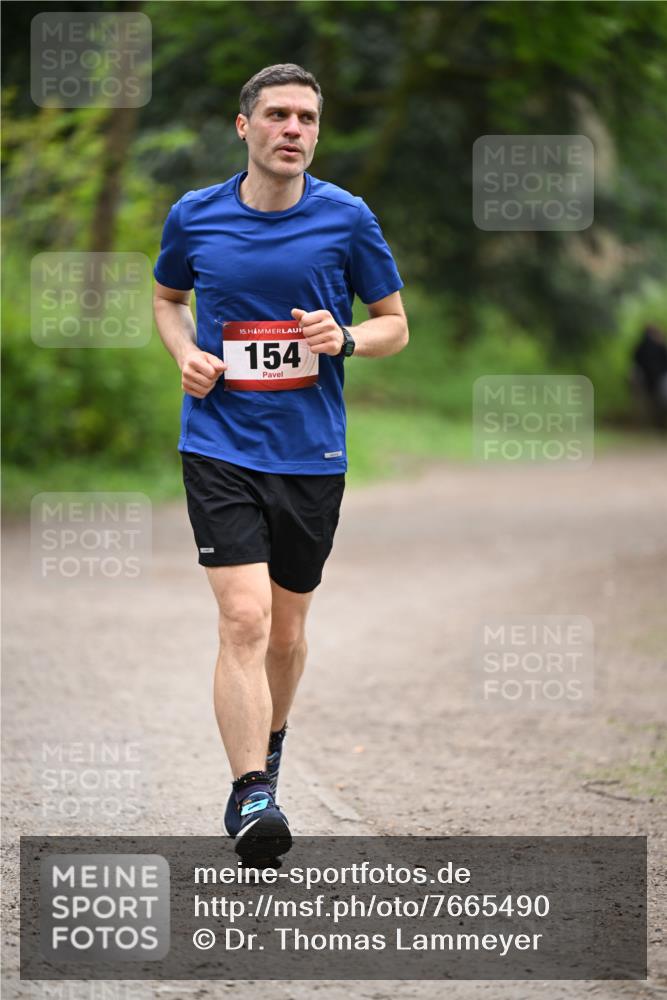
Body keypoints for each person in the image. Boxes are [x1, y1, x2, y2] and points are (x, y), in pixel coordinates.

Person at [153, 63, 408, 862]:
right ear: (245, 127)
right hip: (219, 443)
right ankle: (250, 793)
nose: (292, 129)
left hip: (310, 454)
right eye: (277, 115)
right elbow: (167, 300)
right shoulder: (194, 217)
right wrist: (185, 352)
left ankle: (271, 742)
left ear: (316, 133)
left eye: (305, 118)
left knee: (287, 634)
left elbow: (395, 323)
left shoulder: (347, 219)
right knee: (244, 618)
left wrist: (347, 338)